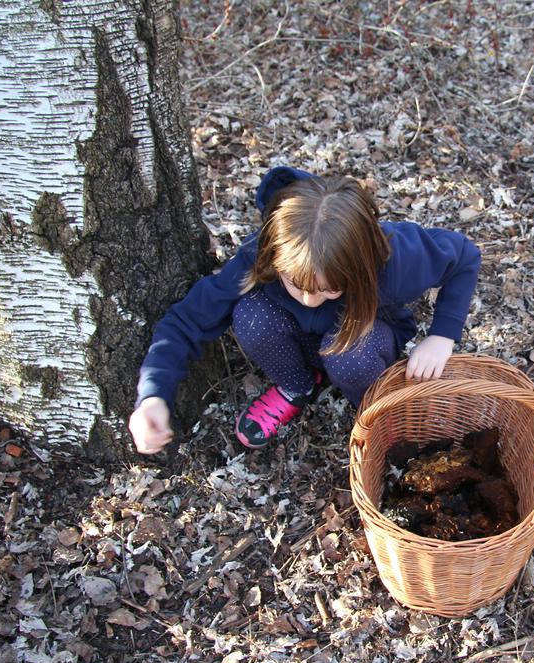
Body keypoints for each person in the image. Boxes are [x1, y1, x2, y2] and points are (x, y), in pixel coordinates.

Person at [128, 166, 481, 454]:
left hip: (362, 341)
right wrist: (153, 394)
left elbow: (465, 256)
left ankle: (375, 409)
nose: (310, 300)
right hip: (298, 340)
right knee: (250, 314)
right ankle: (297, 385)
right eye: (295, 284)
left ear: (360, 267)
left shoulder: (393, 257)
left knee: (350, 358)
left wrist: (442, 335)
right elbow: (186, 321)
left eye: (330, 288)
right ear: (274, 258)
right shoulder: (261, 256)